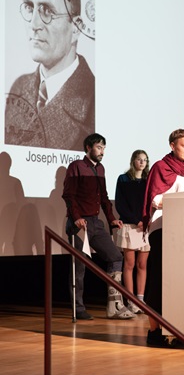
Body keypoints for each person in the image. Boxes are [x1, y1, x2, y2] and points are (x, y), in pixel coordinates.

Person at [5, 0, 95, 150]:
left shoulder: (94, 99)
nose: (34, 24)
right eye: (30, 7)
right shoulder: (19, 87)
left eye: (47, 11)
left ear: (76, 28)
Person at [62, 133, 135, 320]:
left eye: (104, 148)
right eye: (99, 147)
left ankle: (114, 305)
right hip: (78, 224)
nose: (102, 151)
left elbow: (104, 197)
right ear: (88, 148)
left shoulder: (100, 169)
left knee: (115, 257)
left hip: (95, 223)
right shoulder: (76, 166)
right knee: (79, 267)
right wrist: (77, 217)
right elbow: (69, 195)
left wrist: (111, 219)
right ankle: (78, 308)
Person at [142, 128, 184, 347]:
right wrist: (178, 202)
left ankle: (180, 329)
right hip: (163, 228)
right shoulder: (160, 167)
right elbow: (155, 199)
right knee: (159, 280)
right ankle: (154, 332)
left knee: (182, 282)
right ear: (172, 145)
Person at [115, 150, 150, 315]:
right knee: (129, 264)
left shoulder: (148, 180)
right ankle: (130, 300)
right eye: (139, 159)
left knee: (142, 265)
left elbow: (151, 202)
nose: (142, 162)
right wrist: (137, 220)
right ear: (133, 161)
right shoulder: (123, 179)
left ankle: (140, 299)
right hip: (130, 225)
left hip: (145, 227)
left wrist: (146, 220)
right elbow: (120, 204)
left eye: (144, 160)